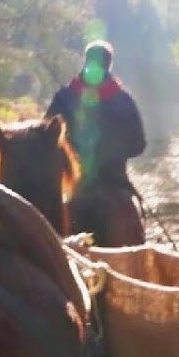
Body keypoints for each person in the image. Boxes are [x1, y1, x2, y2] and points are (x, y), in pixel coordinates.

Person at [45, 40, 147, 246]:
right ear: (109, 64)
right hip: (114, 180)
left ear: (87, 61)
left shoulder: (64, 97)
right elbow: (138, 145)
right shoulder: (124, 100)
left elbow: (45, 141)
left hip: (76, 185)